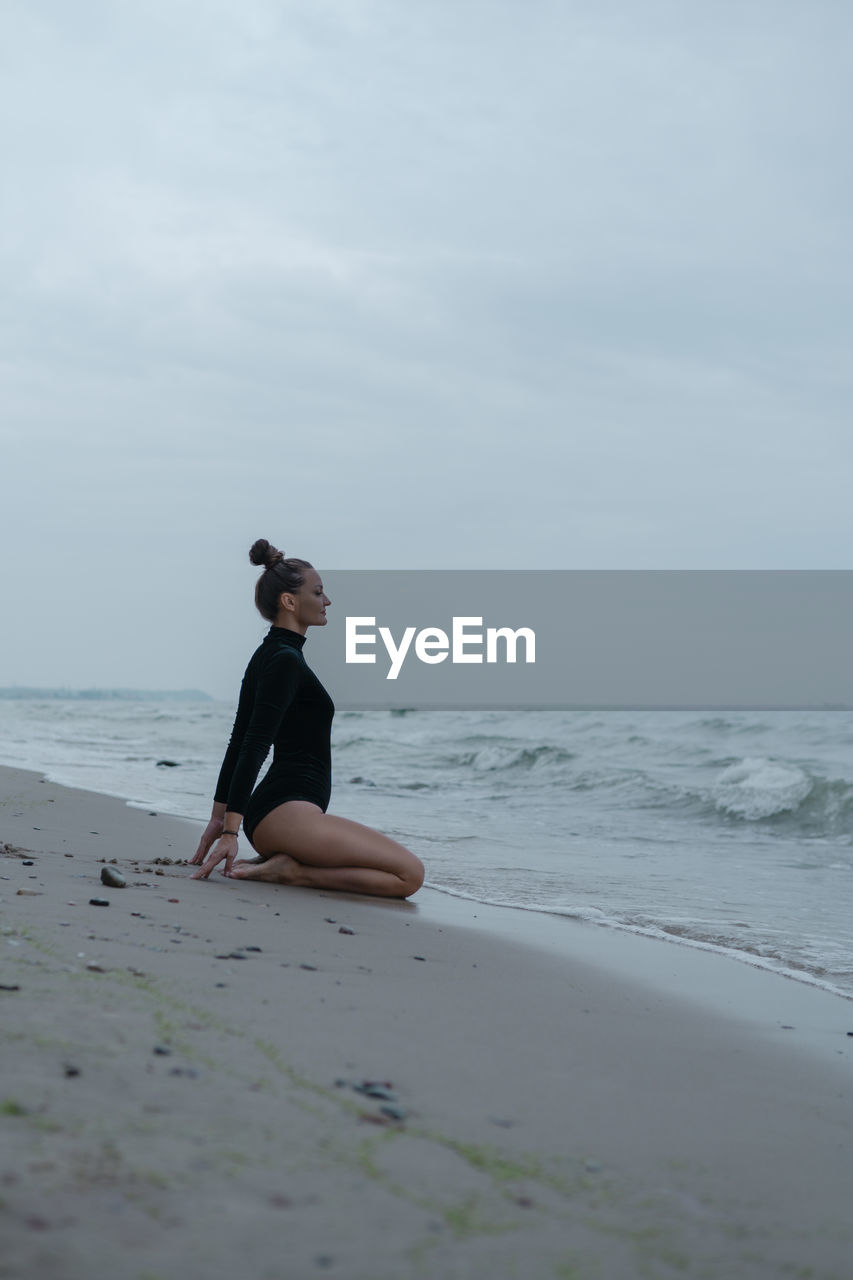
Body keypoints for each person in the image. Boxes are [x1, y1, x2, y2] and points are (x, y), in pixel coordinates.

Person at [190, 539, 425, 899]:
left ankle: (282, 862)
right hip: (286, 814)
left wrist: (220, 818)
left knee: (403, 873)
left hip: (278, 815)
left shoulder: (270, 655)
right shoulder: (284, 660)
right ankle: (294, 872)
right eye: (318, 592)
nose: (327, 601)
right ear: (289, 601)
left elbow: (239, 741)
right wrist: (228, 833)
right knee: (409, 875)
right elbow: (252, 744)